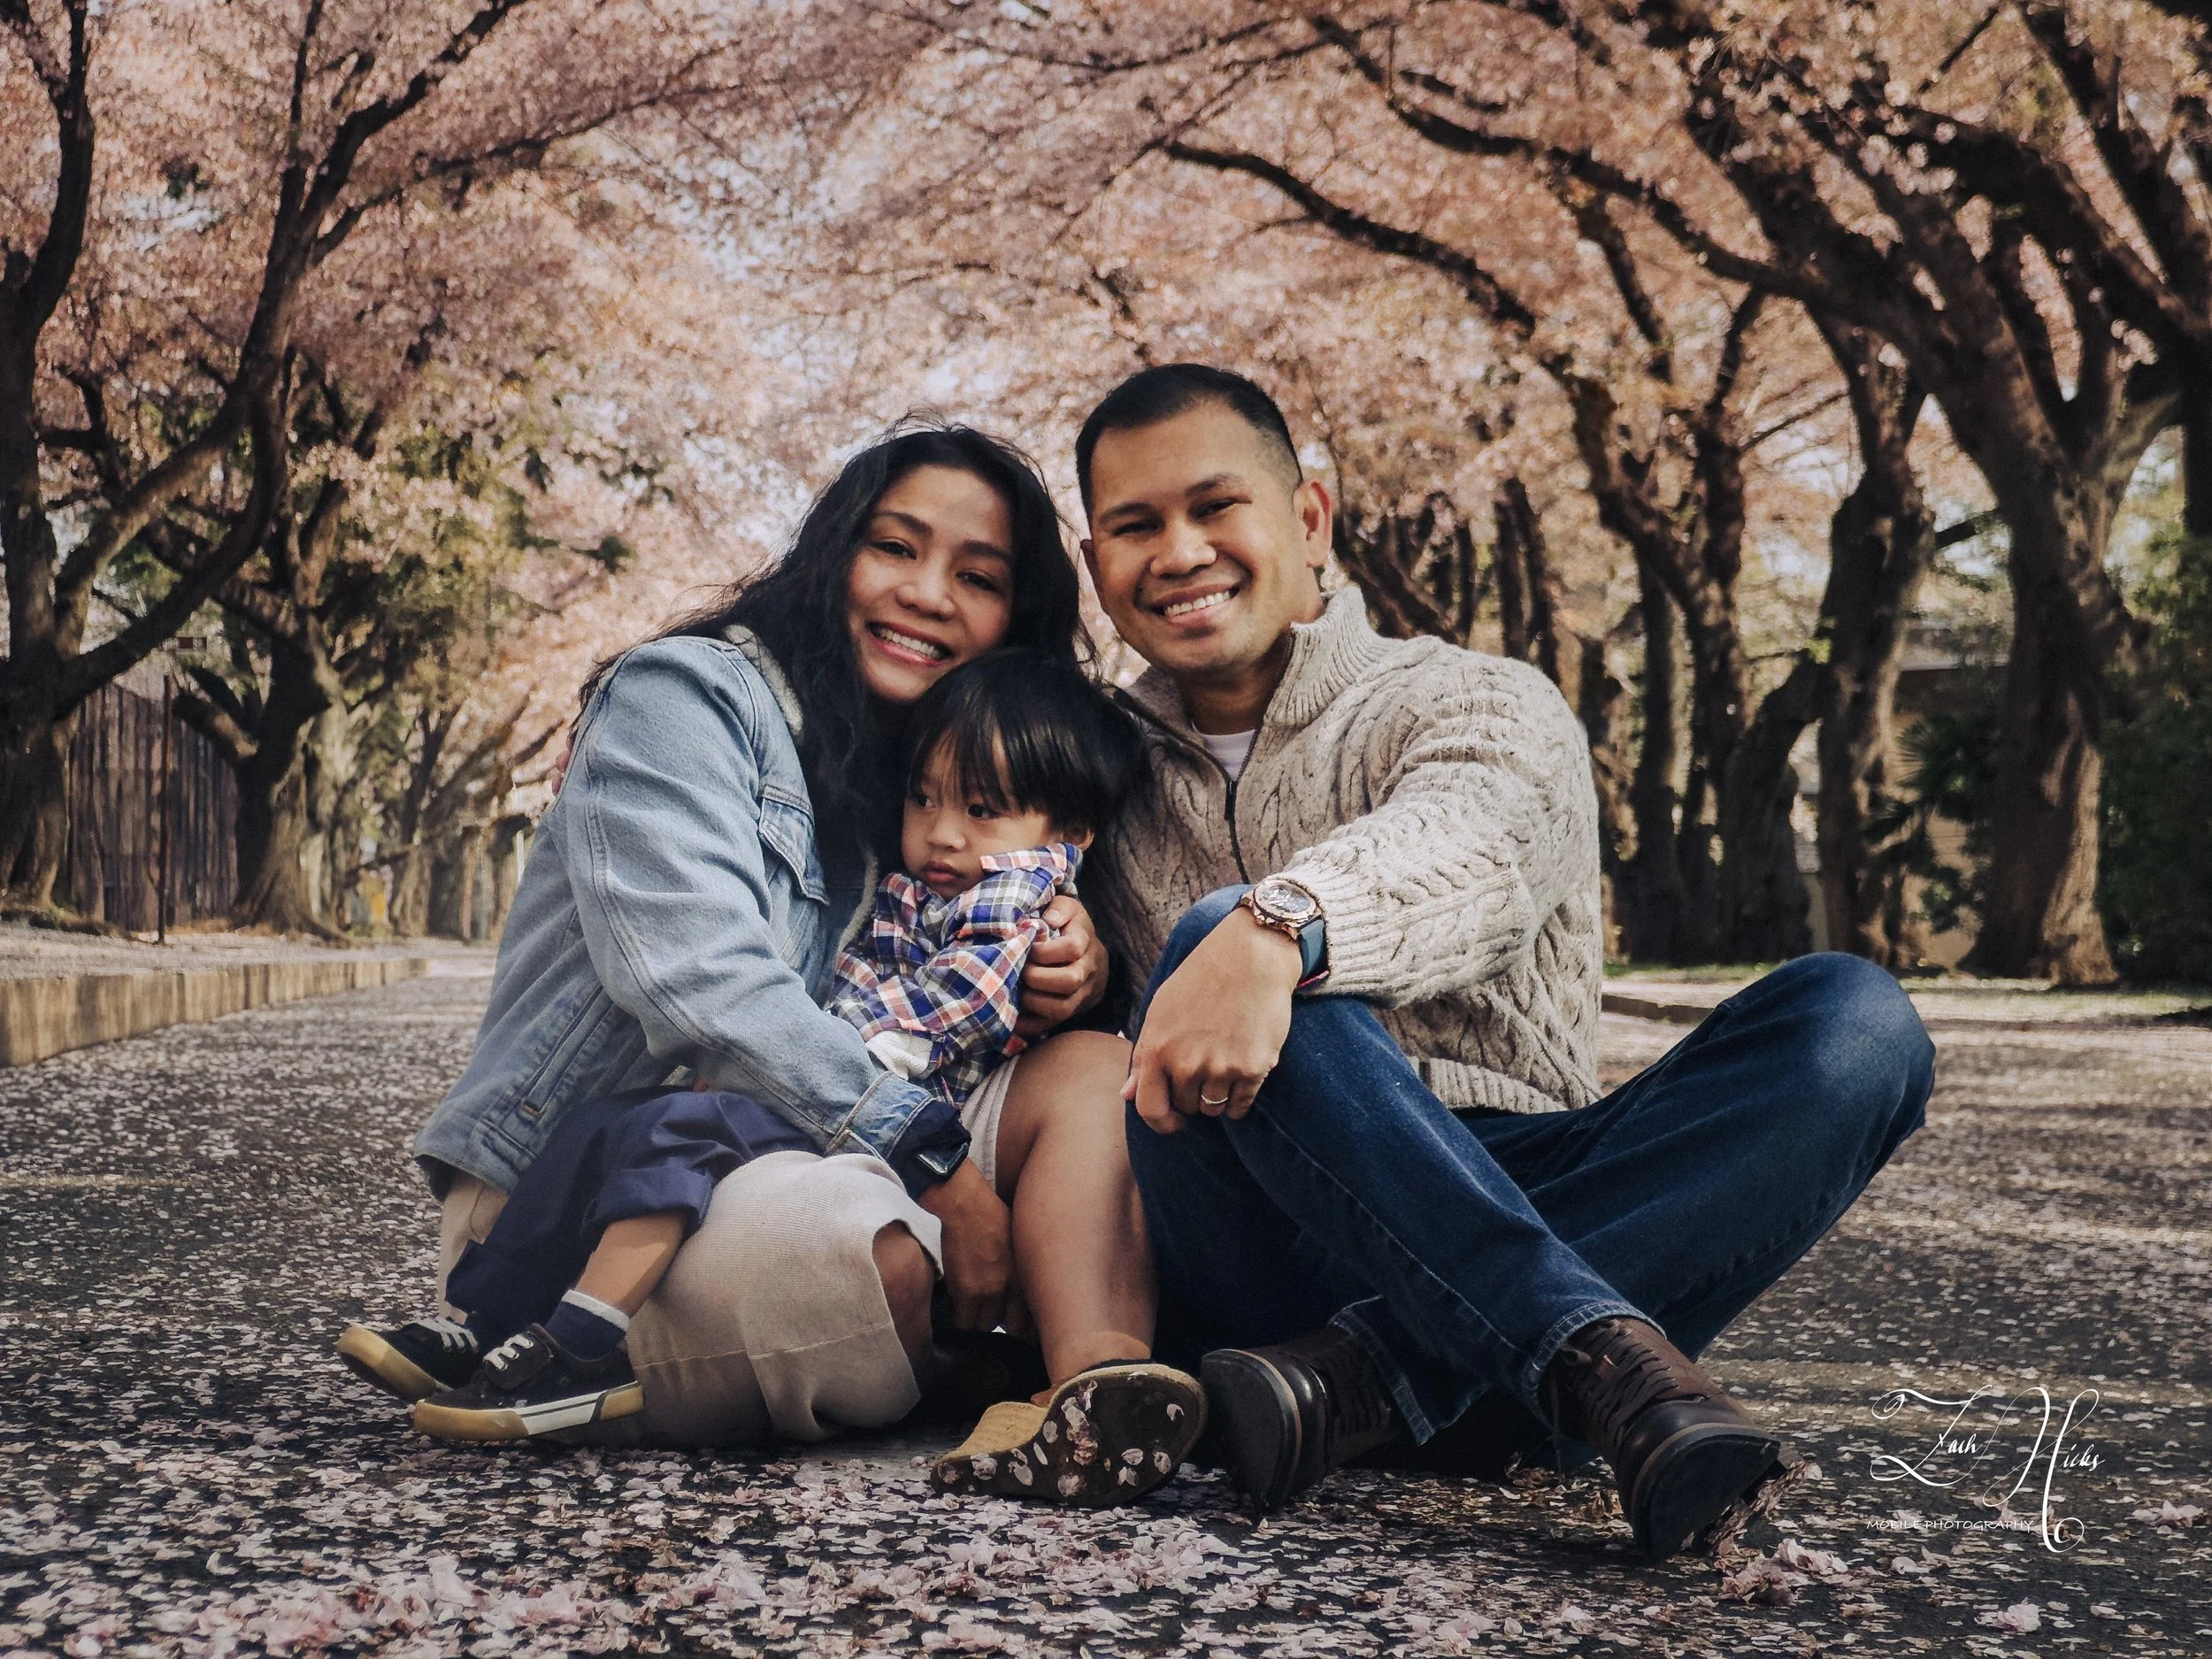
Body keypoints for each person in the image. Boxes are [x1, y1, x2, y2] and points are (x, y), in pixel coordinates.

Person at [1070, 364, 1936, 1559]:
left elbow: (1479, 842)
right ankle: (1587, 1360)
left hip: (1508, 1185)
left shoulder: (1475, 694)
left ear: (1309, 519)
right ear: (1096, 561)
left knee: (1860, 1021)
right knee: (1213, 934)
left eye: (1215, 506)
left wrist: (1286, 926)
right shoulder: (1080, 768)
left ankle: (1376, 1375)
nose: (1178, 550)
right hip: (1259, 1243)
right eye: (1134, 525)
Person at [339, 424, 1168, 1455]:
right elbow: (704, 988)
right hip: (614, 1188)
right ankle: (573, 1346)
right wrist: (942, 1170)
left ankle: (1096, 1391)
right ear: (833, 555)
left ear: (1017, 617)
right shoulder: (681, 699)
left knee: (1098, 1072)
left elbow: (956, 981)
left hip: (835, 1143)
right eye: (896, 548)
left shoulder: (932, 777)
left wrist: (1066, 963)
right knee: (859, 1256)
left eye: (978, 575)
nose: (927, 593)